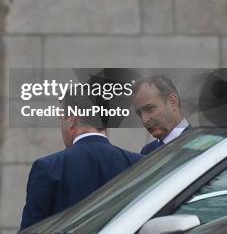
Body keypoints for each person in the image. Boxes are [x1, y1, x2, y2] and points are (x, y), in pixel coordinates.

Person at [19, 95, 142, 230]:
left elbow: (32, 229)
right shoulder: (139, 163)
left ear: (72, 119)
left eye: (61, 119)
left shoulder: (47, 167)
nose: (61, 127)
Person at [132, 75, 191, 155]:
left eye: (149, 109)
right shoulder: (147, 151)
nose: (144, 120)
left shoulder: (203, 146)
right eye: (139, 114)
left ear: (172, 102)